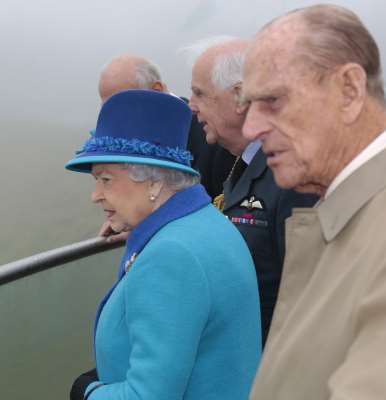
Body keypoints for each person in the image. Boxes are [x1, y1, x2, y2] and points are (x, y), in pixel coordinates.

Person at [241, 4, 386, 399]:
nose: (250, 128)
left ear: (349, 90)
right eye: (248, 105)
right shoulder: (360, 210)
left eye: (272, 101)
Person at [66, 89, 261, 399]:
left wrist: (87, 392)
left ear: (154, 182)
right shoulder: (205, 223)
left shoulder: (172, 255)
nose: (96, 195)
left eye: (105, 179)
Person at [187, 37, 317, 345]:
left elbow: (311, 300)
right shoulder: (246, 162)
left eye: (199, 94)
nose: (191, 106)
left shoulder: (295, 175)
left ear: (240, 98)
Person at [98, 54, 236, 199]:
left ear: (156, 90)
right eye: (107, 109)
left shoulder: (211, 133)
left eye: (121, 106)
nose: (114, 118)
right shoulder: (121, 142)